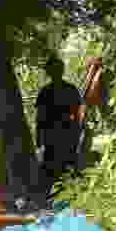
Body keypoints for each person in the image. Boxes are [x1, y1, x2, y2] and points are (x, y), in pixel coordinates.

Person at [36, 56, 83, 191]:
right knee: (66, 166)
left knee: (53, 168)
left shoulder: (45, 92)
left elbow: (39, 118)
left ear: (48, 72)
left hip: (53, 135)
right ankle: (66, 192)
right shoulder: (70, 89)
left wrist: (39, 136)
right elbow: (77, 115)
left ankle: (56, 194)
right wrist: (76, 131)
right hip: (65, 134)